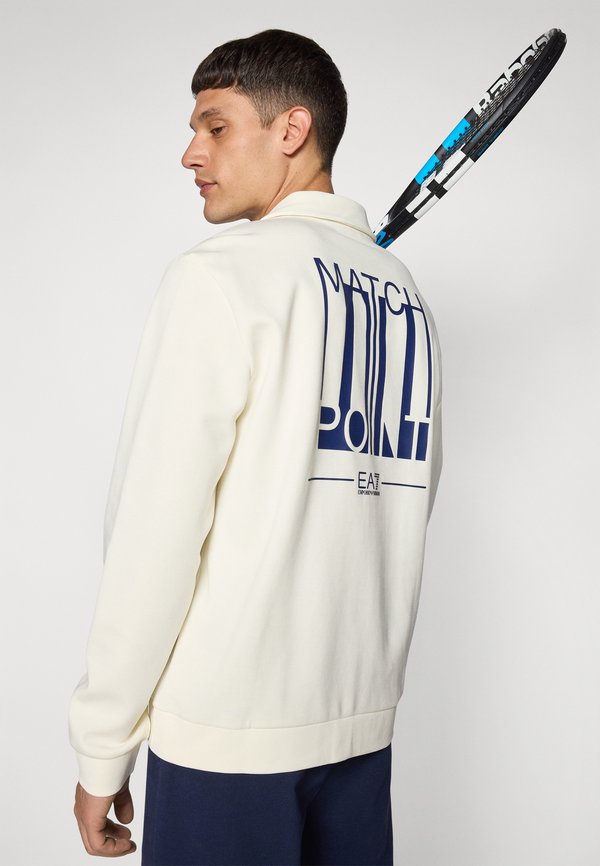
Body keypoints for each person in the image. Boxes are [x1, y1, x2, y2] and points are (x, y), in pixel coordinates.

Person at [68, 28, 443, 865]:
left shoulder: (220, 276)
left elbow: (155, 531)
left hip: (229, 739)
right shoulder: (403, 296)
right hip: (358, 730)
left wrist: (103, 744)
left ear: (292, 130)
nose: (190, 154)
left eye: (216, 127)